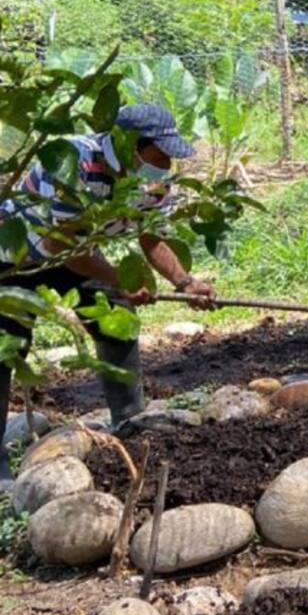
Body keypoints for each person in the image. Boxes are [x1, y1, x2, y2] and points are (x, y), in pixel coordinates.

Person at [0, 103, 216, 465]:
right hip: (14, 254)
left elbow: (152, 238)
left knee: (116, 317)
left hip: (78, 250)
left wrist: (184, 282)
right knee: (6, 347)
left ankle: (129, 422)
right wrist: (121, 279)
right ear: (131, 144)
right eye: (160, 154)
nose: (166, 164)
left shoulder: (155, 178)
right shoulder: (74, 162)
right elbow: (59, 244)